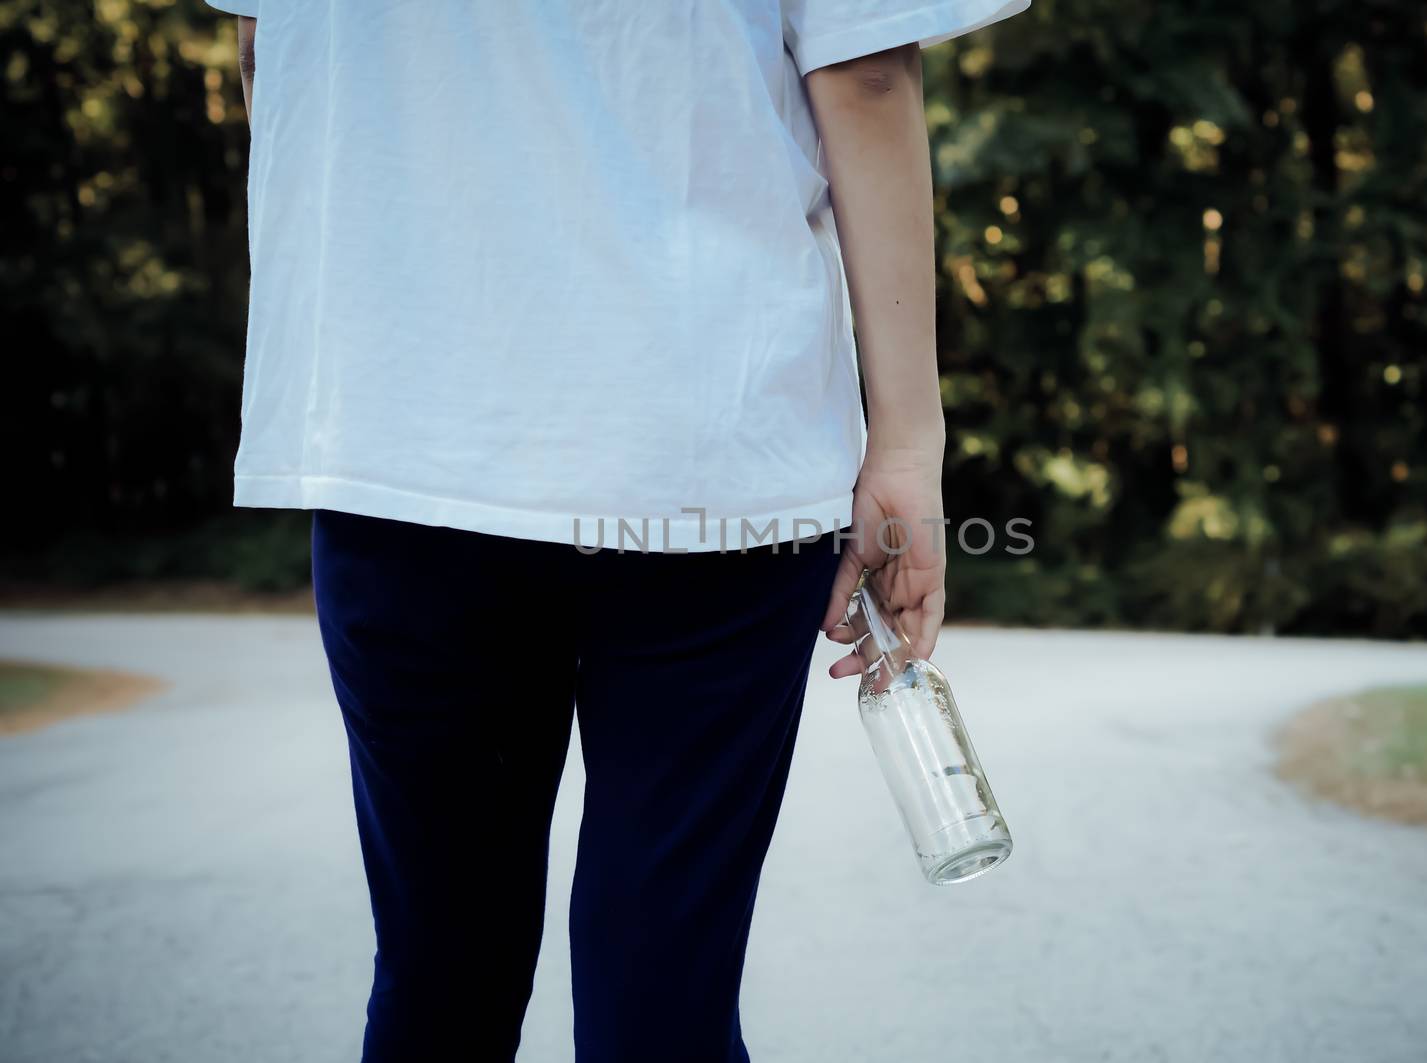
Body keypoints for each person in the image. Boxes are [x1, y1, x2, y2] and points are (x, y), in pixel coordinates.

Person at [206, 1, 1028, 1060]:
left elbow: (265, 44)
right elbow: (863, 76)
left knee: (437, 968)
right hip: (708, 445)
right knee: (665, 982)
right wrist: (907, 447)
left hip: (402, 438)